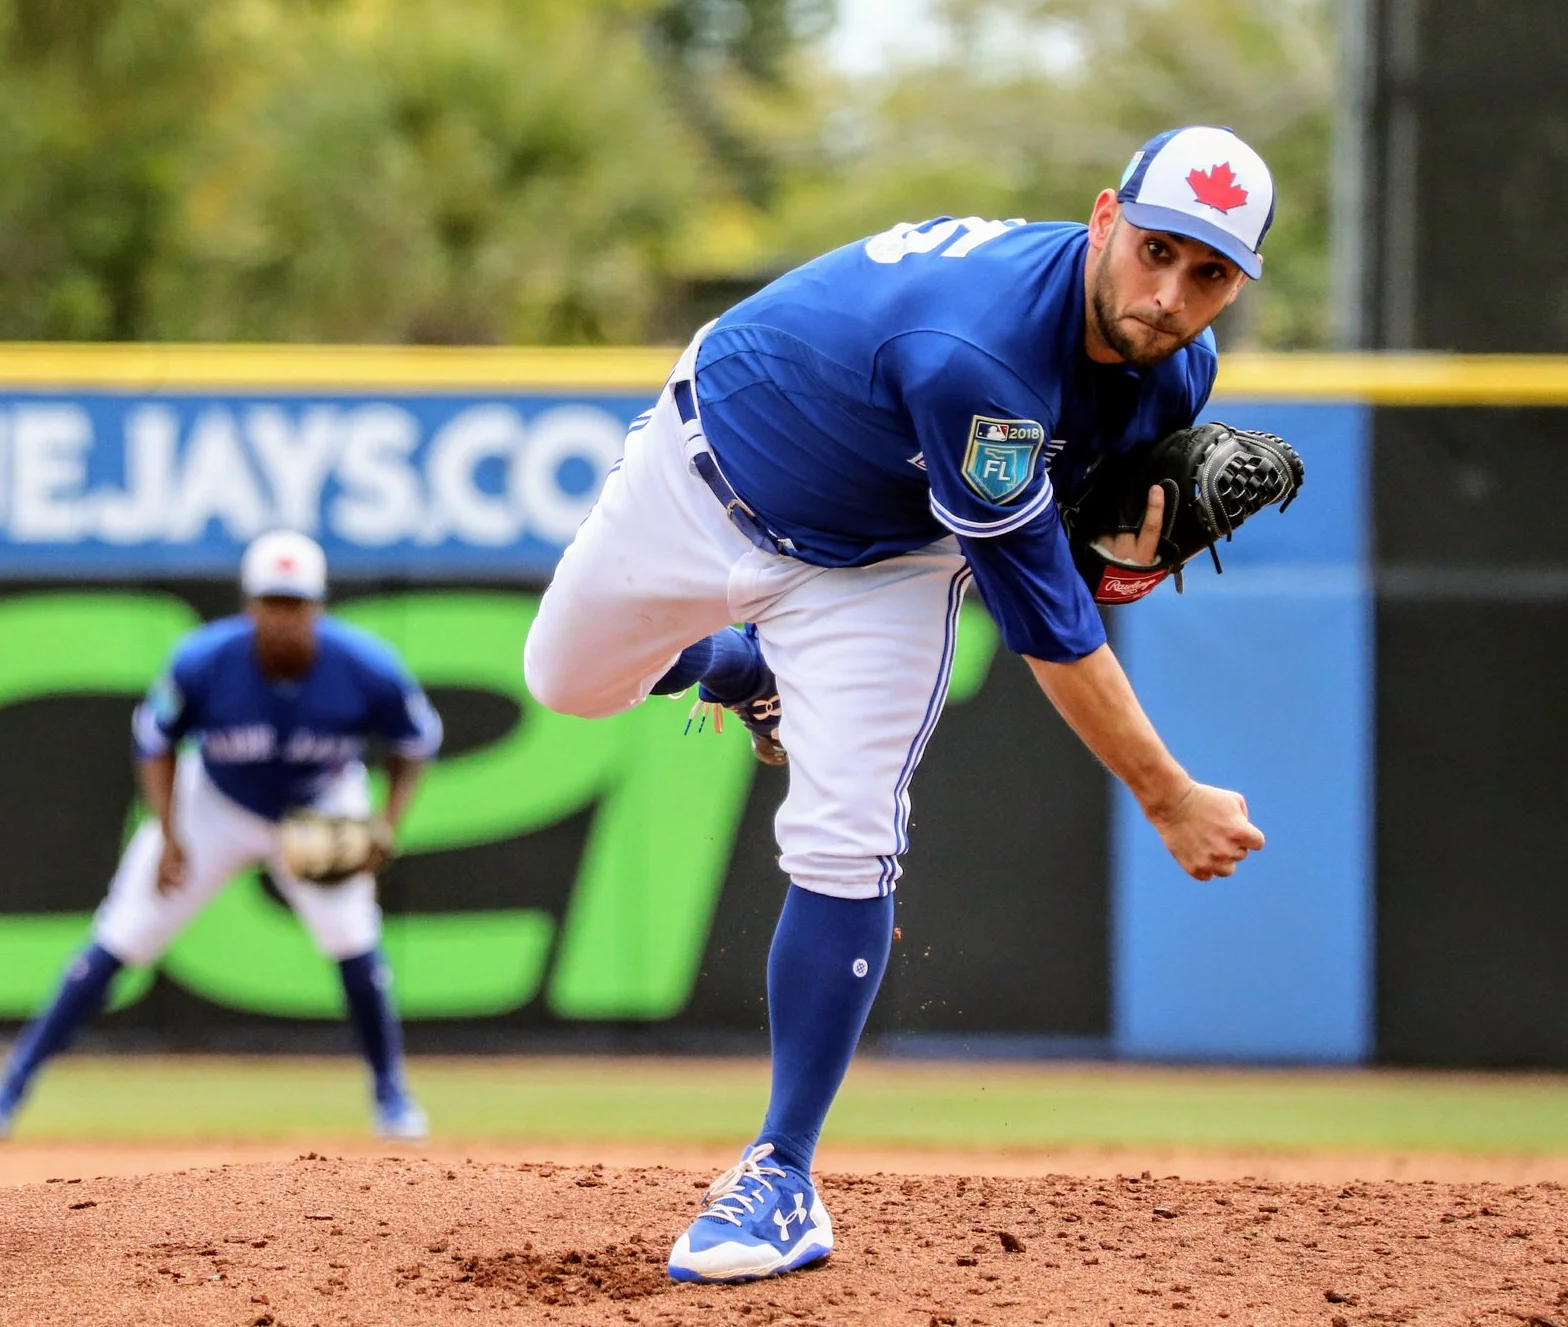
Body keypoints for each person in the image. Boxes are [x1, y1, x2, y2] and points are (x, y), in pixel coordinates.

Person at [522, 126, 1275, 1283]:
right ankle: (743, 668)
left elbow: (1070, 544)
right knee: (563, 683)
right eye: (1156, 249)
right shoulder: (977, 351)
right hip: (703, 472)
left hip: (882, 562)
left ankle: (780, 1170)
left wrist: (1116, 554)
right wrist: (1166, 793)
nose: (1170, 294)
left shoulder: (1178, 371)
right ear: (1104, 218)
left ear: (1235, 283)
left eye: (1209, 272)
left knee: (846, 832)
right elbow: (1048, 623)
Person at [0, 529, 441, 1141]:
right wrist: (169, 834)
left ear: (317, 607)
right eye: (271, 601)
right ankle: (8, 1090)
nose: (282, 616)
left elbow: (415, 743)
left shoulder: (366, 667)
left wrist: (384, 825)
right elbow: (155, 744)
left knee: (353, 938)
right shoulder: (203, 661)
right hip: (214, 804)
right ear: (249, 605)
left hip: (319, 808)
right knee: (123, 934)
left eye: (295, 603)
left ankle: (392, 1096)